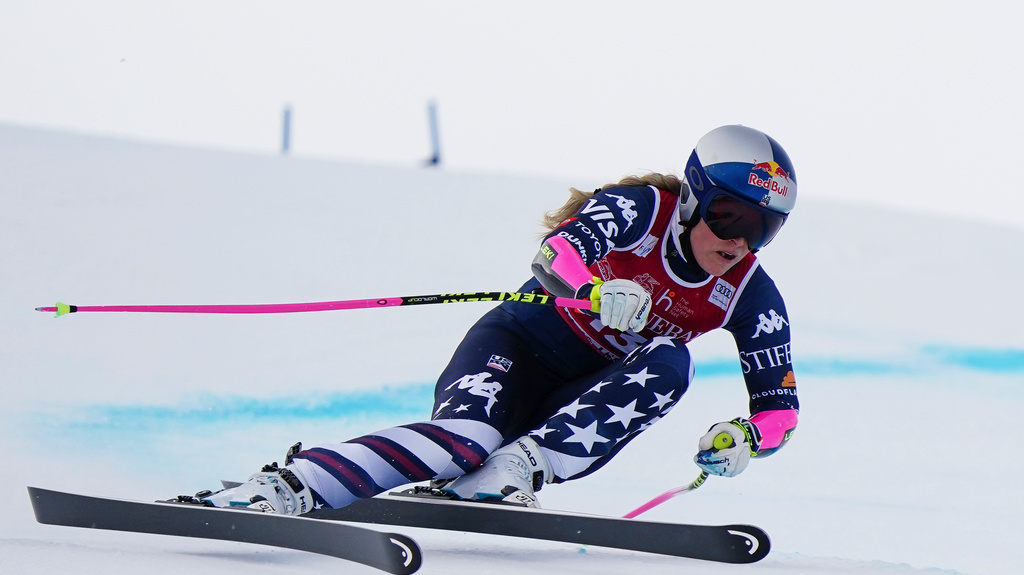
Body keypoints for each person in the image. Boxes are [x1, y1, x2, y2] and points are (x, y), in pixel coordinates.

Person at [189, 124, 800, 515]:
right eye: (728, 216)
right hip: (514, 351)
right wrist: (593, 290)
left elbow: (780, 410)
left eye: (762, 228)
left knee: (671, 362)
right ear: (693, 197)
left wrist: (747, 438)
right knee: (462, 443)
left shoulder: (750, 293)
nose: (741, 241)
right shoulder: (644, 211)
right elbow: (555, 254)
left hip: (574, 404)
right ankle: (283, 488)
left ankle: (512, 474)